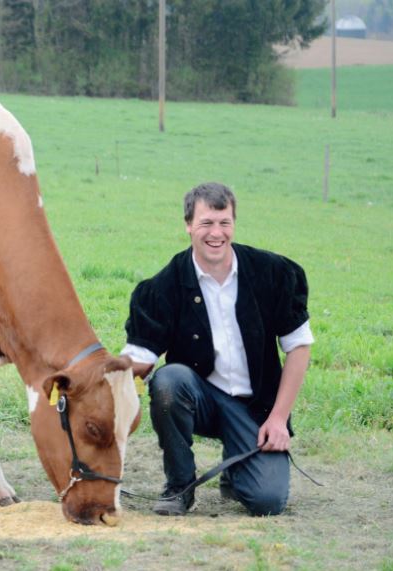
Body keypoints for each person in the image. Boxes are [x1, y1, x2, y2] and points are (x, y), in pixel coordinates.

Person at [121, 182, 313, 517]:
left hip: (255, 408)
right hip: (199, 400)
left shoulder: (273, 273)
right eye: (206, 223)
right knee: (168, 382)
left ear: (234, 224)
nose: (216, 233)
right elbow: (140, 359)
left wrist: (279, 419)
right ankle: (179, 486)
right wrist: (96, 381)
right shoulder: (163, 287)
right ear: (188, 225)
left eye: (224, 223)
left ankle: (235, 470)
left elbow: (298, 348)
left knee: (267, 501)